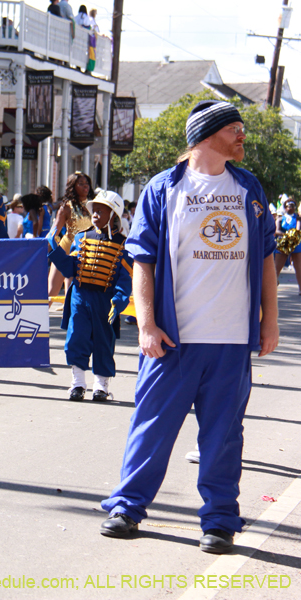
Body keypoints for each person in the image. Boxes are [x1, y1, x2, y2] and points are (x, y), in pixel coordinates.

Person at [100, 100, 279, 555]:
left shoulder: (248, 188)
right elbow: (143, 261)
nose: (242, 135)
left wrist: (269, 322)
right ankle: (127, 507)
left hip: (230, 341)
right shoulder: (165, 189)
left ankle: (220, 520)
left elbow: (265, 259)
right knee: (152, 426)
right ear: (206, 135)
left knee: (224, 435)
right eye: (234, 128)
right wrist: (146, 324)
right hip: (173, 341)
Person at [48, 190, 132, 401]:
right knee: (77, 338)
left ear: (114, 215)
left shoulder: (123, 245)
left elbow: (125, 279)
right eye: (94, 210)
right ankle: (77, 384)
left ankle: (101, 386)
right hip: (80, 297)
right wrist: (54, 245)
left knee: (104, 342)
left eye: (101, 211)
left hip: (105, 301)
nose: (95, 214)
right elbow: (70, 268)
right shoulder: (81, 237)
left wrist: (119, 300)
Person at [49, 173, 93, 300]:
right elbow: (53, 232)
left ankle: (70, 319)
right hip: (66, 250)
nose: (85, 186)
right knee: (51, 291)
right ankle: (39, 319)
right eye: (81, 183)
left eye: (87, 183)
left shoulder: (94, 206)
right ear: (73, 187)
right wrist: (44, 248)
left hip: (85, 252)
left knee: (72, 292)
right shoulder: (66, 207)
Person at [274, 198, 301, 293]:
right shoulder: (280, 218)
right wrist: (286, 235)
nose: (291, 208)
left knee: (299, 267)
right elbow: (276, 230)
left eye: (293, 206)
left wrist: (293, 235)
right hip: (283, 244)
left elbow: (298, 229)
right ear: (285, 207)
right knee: (276, 267)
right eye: (289, 206)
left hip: (295, 243)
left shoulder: (298, 218)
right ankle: (272, 287)